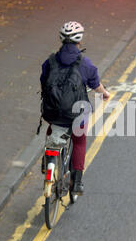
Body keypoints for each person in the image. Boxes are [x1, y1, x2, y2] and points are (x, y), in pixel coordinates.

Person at [40, 21, 110, 195]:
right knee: (79, 141)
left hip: (53, 112)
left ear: (61, 40)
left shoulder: (49, 62)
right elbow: (95, 85)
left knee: (53, 127)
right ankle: (76, 183)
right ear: (79, 41)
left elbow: (43, 83)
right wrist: (105, 94)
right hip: (76, 115)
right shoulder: (85, 63)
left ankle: (48, 158)